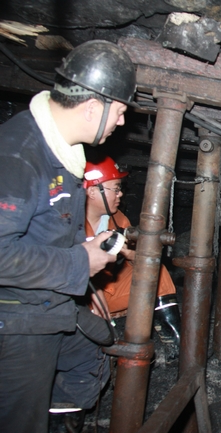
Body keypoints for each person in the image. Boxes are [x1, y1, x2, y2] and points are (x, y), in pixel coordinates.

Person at [0, 40, 137, 432]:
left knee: (91, 353)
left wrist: (86, 248)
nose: (121, 123)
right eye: (120, 112)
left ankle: (61, 419)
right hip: (17, 320)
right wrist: (81, 260)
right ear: (93, 107)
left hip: (49, 306)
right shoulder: (19, 155)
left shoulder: (58, 153)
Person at [84, 155, 181, 361]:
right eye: (115, 188)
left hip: (108, 290)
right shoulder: (70, 221)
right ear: (92, 191)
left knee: (157, 273)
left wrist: (130, 253)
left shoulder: (118, 219)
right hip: (80, 300)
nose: (120, 194)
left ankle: (175, 346)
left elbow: (138, 257)